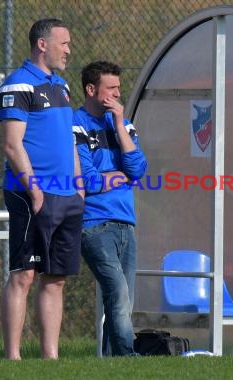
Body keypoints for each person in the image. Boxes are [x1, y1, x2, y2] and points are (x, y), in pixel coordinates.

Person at [0, 18, 84, 360]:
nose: (68, 50)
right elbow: (11, 145)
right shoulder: (18, 85)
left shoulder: (61, 86)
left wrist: (79, 188)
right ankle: (13, 358)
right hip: (33, 196)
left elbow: (69, 143)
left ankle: (51, 358)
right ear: (42, 44)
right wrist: (34, 191)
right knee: (24, 274)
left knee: (56, 277)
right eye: (63, 43)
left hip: (67, 197)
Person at [73, 60, 147, 356]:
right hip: (94, 224)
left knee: (123, 298)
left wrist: (119, 125)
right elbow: (88, 181)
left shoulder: (123, 124)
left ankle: (112, 362)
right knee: (117, 291)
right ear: (92, 90)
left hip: (125, 223)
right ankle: (127, 356)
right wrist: (123, 177)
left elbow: (139, 168)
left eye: (119, 87)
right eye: (111, 88)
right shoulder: (74, 124)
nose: (118, 94)